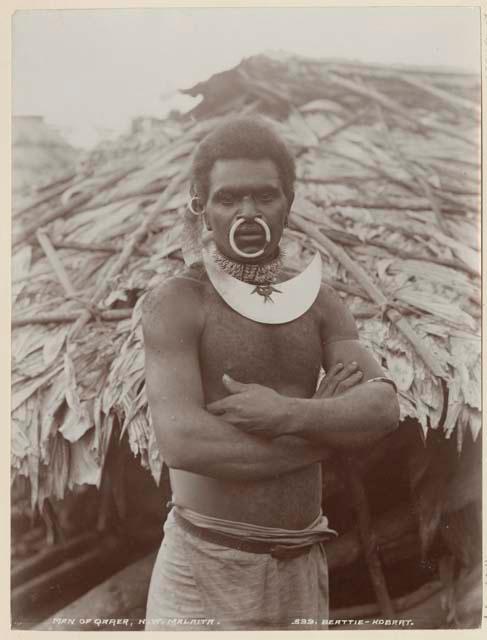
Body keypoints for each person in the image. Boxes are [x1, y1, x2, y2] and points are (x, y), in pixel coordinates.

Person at [142, 117, 399, 631]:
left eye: (265, 196)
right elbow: (185, 443)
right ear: (202, 206)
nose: (248, 213)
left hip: (302, 564)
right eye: (229, 198)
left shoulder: (319, 301)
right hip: (206, 564)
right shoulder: (177, 304)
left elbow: (383, 407)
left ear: (289, 202)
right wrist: (330, 429)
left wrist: (285, 412)